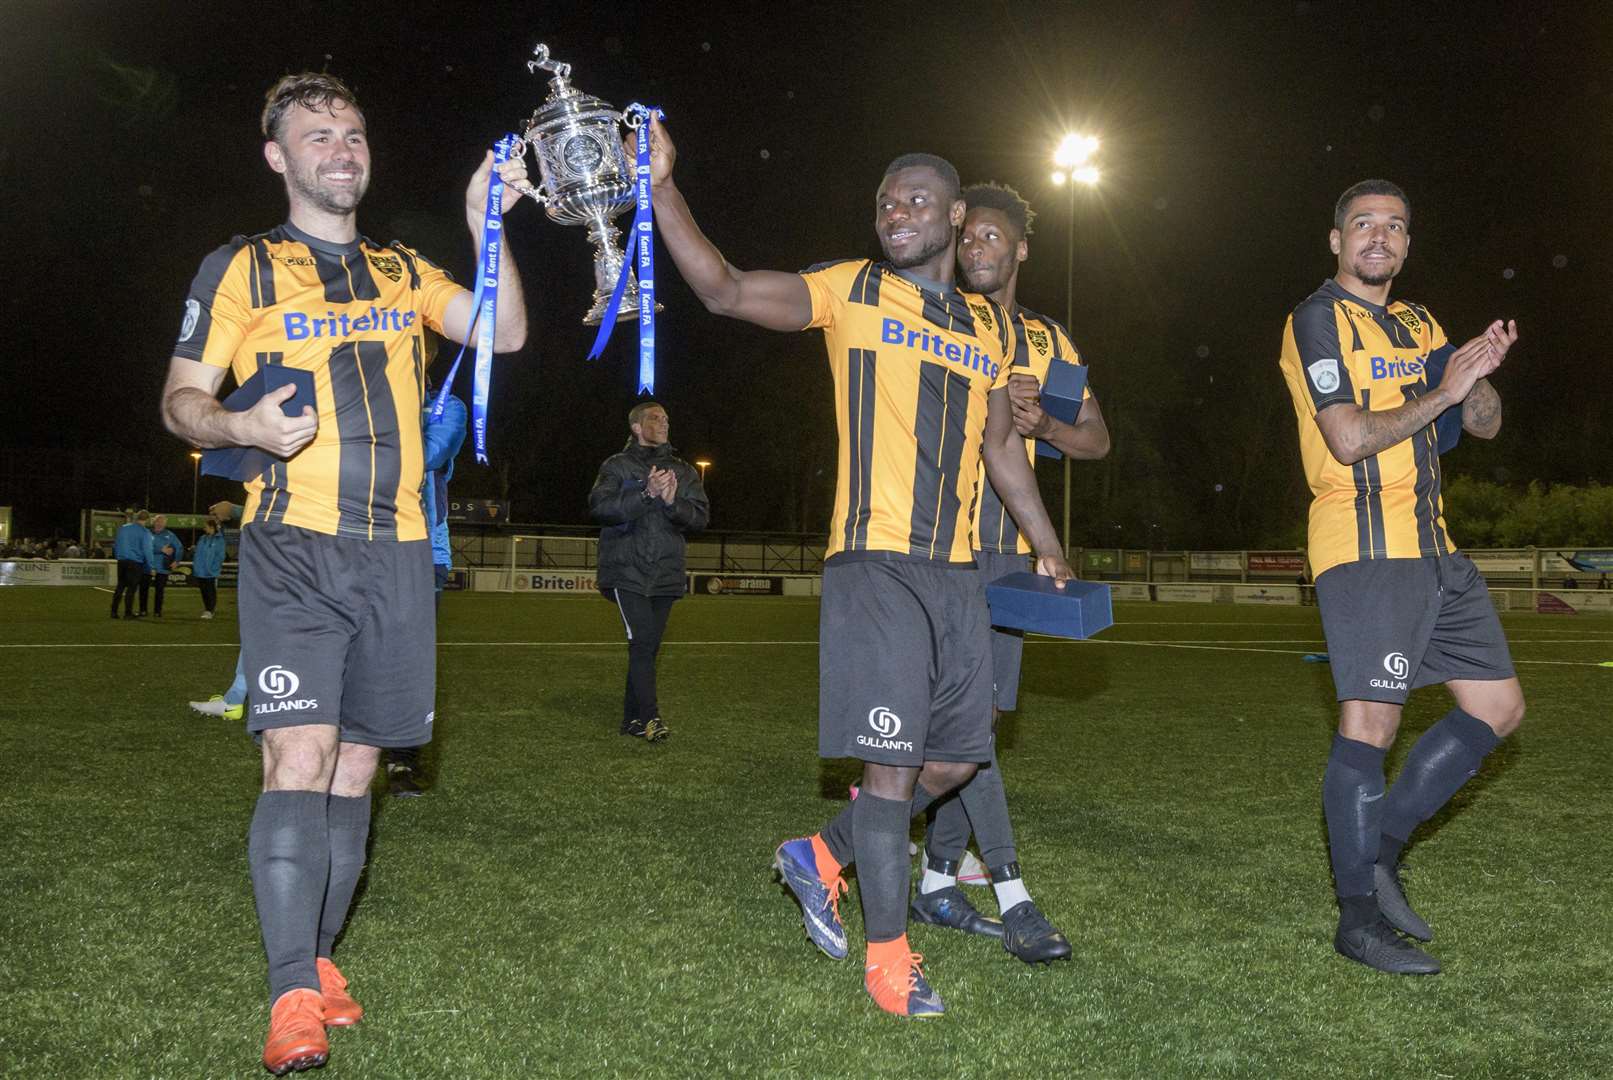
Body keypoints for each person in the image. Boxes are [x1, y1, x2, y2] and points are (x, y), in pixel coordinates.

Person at [646, 118, 1073, 1017]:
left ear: (955, 217)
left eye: (916, 200)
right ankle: (889, 959)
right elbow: (723, 291)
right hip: (874, 565)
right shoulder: (853, 289)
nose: (896, 213)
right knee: (890, 768)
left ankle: (821, 854)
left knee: (957, 759)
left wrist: (1044, 539)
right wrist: (661, 189)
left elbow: (1001, 448)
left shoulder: (991, 326)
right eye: (886, 202)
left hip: (960, 575)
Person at [159, 71, 529, 1074]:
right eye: (316, 135)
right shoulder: (240, 268)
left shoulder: (402, 270)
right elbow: (182, 400)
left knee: (359, 770)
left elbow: (501, 332)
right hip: (297, 547)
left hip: (401, 553)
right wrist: (237, 424)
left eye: (353, 132)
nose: (341, 147)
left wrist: (481, 222)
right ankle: (289, 996)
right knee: (297, 758)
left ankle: (318, 963)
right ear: (278, 157)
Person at [1279, 179, 1523, 976]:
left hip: (1434, 547)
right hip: (1364, 546)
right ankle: (1355, 921)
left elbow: (1479, 425)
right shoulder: (1316, 318)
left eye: (1392, 226)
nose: (1377, 237)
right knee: (1370, 726)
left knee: (1497, 707)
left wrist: (1472, 373)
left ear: (1408, 245)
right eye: (1361, 225)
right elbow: (1347, 438)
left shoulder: (1418, 323)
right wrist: (1439, 388)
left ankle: (1377, 855)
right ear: (1335, 239)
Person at [905, 182, 1111, 964]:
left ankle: (930, 881)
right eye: (968, 239)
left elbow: (1093, 441)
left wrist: (1044, 422)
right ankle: (1014, 893)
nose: (977, 249)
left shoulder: (1048, 338)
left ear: (1021, 248)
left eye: (992, 237)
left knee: (978, 726)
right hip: (936, 547)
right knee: (962, 729)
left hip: (1010, 554)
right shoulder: (934, 315)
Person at [588, 401, 710, 743]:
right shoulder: (617, 466)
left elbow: (700, 518)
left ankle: (632, 721)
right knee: (642, 642)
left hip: (666, 574)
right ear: (637, 428)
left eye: (667, 418)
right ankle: (651, 718)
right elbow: (601, 508)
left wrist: (672, 502)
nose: (664, 422)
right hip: (626, 571)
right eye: (655, 418)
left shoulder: (684, 471)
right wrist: (646, 493)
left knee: (647, 649)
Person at [383, 384, 467, 797]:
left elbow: (430, 455)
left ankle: (402, 758)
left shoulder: (446, 407)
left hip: (420, 551)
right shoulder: (362, 389)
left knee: (407, 662)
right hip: (355, 542)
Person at [111, 509, 150, 619]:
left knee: (120, 586)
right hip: (135, 563)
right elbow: (147, 550)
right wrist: (151, 565)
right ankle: (128, 613)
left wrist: (119, 557)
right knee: (132, 589)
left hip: (122, 561)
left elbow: (116, 545)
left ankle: (113, 611)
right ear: (146, 519)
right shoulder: (144, 532)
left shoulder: (123, 528)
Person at [147, 514, 185, 618]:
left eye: (162, 522)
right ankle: (143, 610)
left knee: (160, 590)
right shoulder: (147, 533)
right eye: (158, 521)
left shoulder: (170, 535)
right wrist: (160, 550)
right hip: (147, 566)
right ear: (154, 522)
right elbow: (143, 548)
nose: (160, 524)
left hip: (163, 568)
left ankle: (157, 611)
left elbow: (180, 548)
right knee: (143, 589)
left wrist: (176, 561)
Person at [191, 518, 226, 619]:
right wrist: (196, 566)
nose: (204, 528)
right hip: (200, 571)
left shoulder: (219, 540)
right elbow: (198, 554)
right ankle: (207, 609)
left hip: (210, 571)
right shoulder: (202, 538)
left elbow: (220, 556)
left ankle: (210, 610)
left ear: (211, 527)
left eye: (205, 526)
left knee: (210, 591)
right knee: (204, 591)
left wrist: (213, 568)